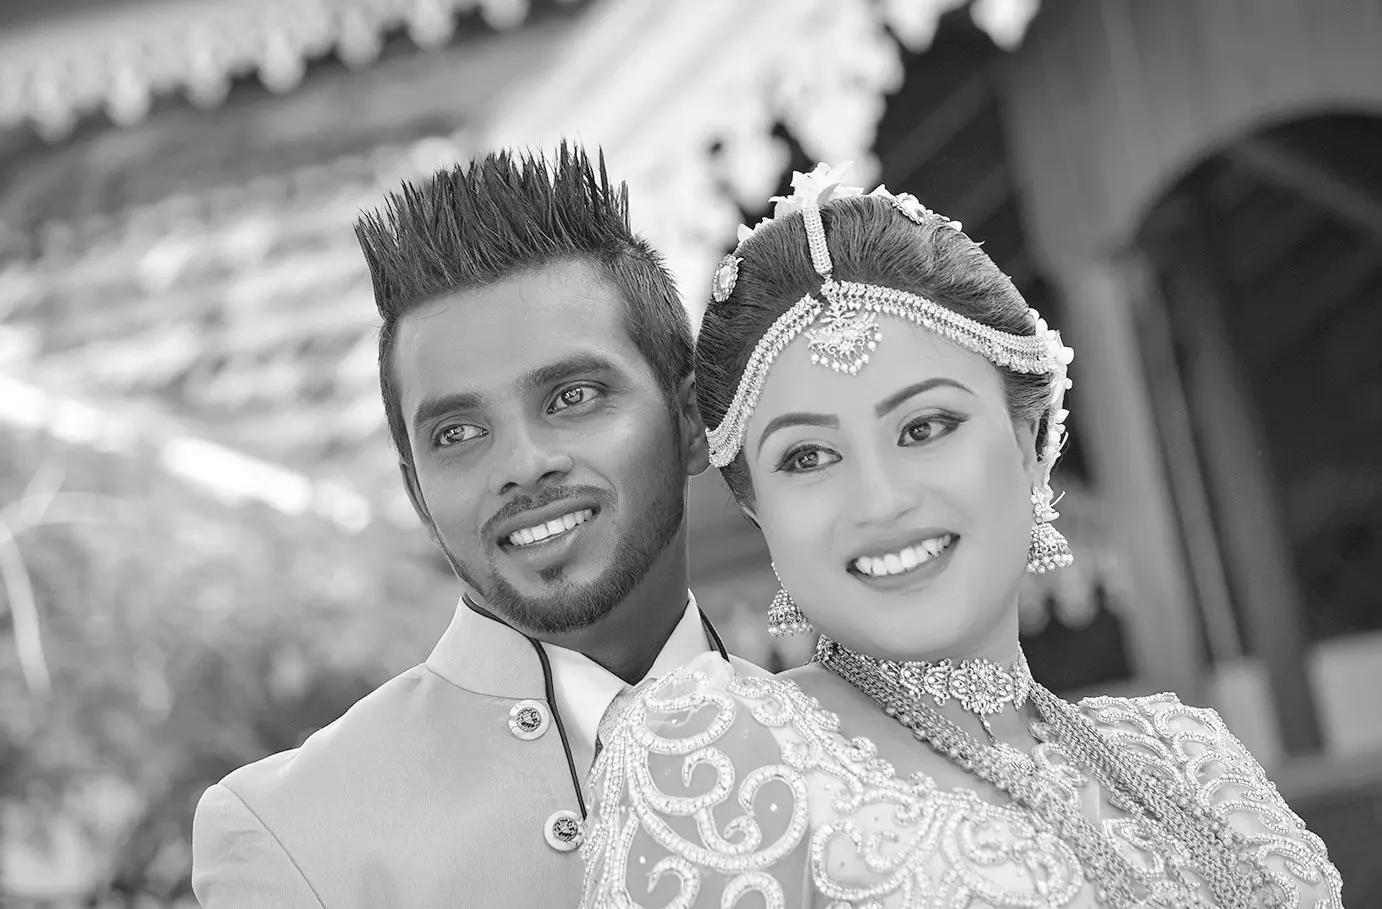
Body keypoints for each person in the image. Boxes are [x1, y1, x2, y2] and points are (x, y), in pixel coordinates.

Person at [578, 163, 1344, 908]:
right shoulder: (723, 757)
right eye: (808, 457)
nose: (880, 501)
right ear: (755, 506)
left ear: (1027, 438)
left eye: (924, 426)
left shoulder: (1184, 757)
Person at [190, 144, 758, 908]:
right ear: (418, 493)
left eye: (573, 396)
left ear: (691, 419)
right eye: (456, 434)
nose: (521, 465)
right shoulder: (289, 833)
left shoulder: (860, 744)